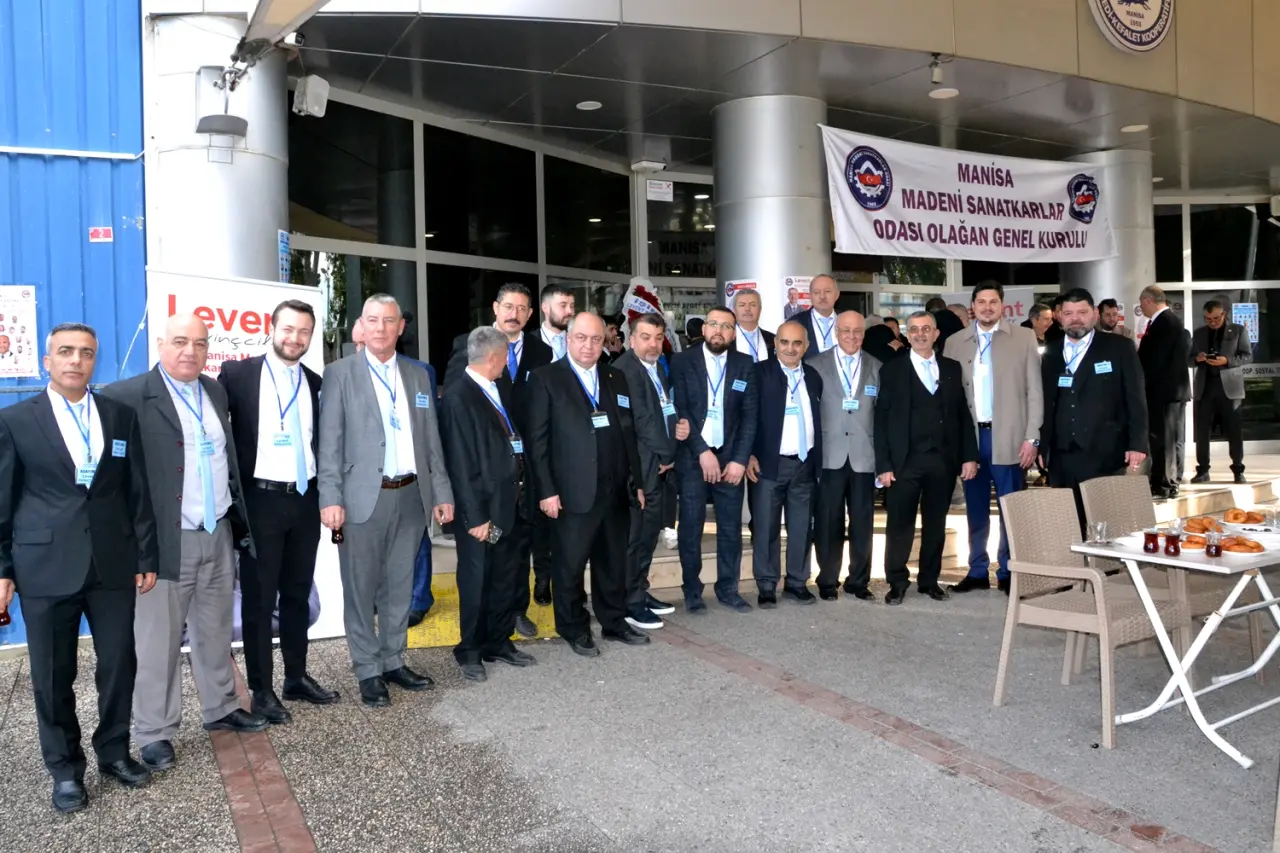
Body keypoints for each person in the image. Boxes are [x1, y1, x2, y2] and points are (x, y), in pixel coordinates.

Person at [0, 323, 158, 812]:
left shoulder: (118, 415)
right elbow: (2, 500)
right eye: (65, 352)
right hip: (44, 564)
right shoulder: (15, 420)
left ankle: (114, 752)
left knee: (119, 665)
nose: (76, 360)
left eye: (86, 353)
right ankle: (65, 770)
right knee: (52, 675)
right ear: (47, 361)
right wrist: (3, 567)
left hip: (112, 563)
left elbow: (136, 490)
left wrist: (146, 555)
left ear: (95, 360)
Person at [101, 314, 267, 775]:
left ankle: (221, 707)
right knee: (158, 642)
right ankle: (154, 731)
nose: (189, 351)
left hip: (217, 530)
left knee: (215, 630)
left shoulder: (214, 391)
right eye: (179, 341)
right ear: (160, 344)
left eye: (199, 343)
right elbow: (115, 480)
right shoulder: (126, 396)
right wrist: (133, 547)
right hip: (165, 540)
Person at [317, 294, 454, 708]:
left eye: (388, 320)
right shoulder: (339, 374)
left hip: (411, 495)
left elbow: (431, 439)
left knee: (399, 586)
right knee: (360, 589)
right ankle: (367, 669)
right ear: (361, 326)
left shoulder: (418, 375)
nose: (380, 328)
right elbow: (329, 443)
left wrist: (442, 491)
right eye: (373, 320)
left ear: (400, 327)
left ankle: (393, 660)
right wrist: (330, 497)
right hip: (361, 499)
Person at [217, 300, 338, 723]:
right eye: (288, 329)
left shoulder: (316, 382)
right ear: (271, 329)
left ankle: (296, 677)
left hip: (304, 499)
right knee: (258, 598)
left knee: (297, 593)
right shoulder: (237, 375)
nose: (295, 338)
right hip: (260, 502)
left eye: (304, 331)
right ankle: (262, 689)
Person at [526, 312, 649, 655]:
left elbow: (629, 433)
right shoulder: (546, 378)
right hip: (570, 493)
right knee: (570, 564)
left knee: (612, 562)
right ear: (568, 339)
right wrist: (546, 491)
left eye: (596, 339)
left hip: (615, 490)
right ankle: (573, 628)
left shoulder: (615, 376)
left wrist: (637, 482)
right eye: (581, 338)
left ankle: (614, 622)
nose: (588, 346)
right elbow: (537, 443)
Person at [445, 282, 552, 634]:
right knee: (485, 557)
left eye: (521, 309)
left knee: (518, 546)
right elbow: (457, 415)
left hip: (525, 467)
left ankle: (515, 611)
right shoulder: (469, 345)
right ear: (495, 307)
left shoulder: (541, 351)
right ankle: (483, 629)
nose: (514, 314)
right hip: (486, 471)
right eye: (508, 306)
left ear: (530, 314)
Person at [438, 327, 535, 682]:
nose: (508, 363)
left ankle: (498, 641)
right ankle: (470, 649)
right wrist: (475, 517)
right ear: (495, 357)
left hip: (508, 505)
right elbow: (460, 464)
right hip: (482, 514)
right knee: (477, 580)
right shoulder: (459, 397)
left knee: (504, 576)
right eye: (506, 357)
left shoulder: (495, 387)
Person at [945, 282, 1043, 596]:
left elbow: (1035, 392)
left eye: (993, 302)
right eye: (981, 302)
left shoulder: (1024, 338)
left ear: (1002, 306)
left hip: (1011, 438)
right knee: (975, 509)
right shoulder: (954, 342)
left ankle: (1008, 570)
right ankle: (976, 570)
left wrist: (1032, 437)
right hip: (971, 440)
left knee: (1010, 508)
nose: (987, 307)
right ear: (973, 306)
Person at [874, 311, 978, 605]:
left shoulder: (951, 368)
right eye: (914, 329)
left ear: (936, 334)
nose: (920, 334)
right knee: (899, 525)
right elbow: (881, 420)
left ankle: (929, 581)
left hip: (942, 461)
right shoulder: (892, 369)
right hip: (903, 463)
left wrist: (969, 456)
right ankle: (897, 581)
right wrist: (883, 464)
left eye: (926, 329)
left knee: (936, 524)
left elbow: (962, 414)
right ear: (907, 335)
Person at [671, 306, 759, 613]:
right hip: (693, 458)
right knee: (691, 527)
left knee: (731, 528)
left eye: (726, 326)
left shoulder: (745, 364)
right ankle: (692, 591)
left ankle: (728, 589)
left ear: (733, 334)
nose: (719, 331)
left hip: (731, 459)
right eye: (713, 324)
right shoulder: (682, 361)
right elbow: (680, 409)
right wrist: (702, 451)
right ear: (704, 329)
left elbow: (750, 416)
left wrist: (739, 459)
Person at [1040, 288, 1148, 525]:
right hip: (1062, 454)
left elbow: (1136, 397)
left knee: (1106, 523)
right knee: (1069, 523)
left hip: (1106, 451)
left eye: (1082, 312)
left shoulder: (1119, 347)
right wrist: (1042, 444)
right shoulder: (1051, 352)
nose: (1075, 319)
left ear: (1095, 314)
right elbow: (1046, 402)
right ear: (1059, 316)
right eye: (1068, 313)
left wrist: (1137, 443)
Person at [612, 313, 684, 630]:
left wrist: (676, 432)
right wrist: (669, 453)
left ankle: (640, 590)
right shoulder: (626, 370)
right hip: (640, 469)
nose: (653, 344)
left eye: (658, 337)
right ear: (631, 339)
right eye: (645, 337)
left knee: (649, 534)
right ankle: (631, 603)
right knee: (637, 538)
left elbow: (664, 410)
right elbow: (641, 422)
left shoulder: (656, 368)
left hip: (657, 464)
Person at [747, 321, 821, 607]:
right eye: (785, 342)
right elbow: (745, 416)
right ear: (775, 343)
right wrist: (748, 455)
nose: (791, 349)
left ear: (806, 346)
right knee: (766, 526)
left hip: (804, 463)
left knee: (802, 527)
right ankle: (767, 585)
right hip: (768, 463)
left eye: (797, 343)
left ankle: (797, 582)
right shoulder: (759, 373)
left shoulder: (812, 376)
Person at [809, 311, 881, 601]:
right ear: (836, 332)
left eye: (857, 331)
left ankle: (858, 581)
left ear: (864, 333)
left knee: (863, 522)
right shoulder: (815, 365)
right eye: (846, 330)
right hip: (830, 454)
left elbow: (881, 414)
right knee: (828, 521)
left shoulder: (877, 366)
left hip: (864, 455)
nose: (852, 336)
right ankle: (828, 580)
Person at [1136, 286, 1191, 499]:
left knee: (1164, 440)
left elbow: (1155, 360)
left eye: (1141, 303)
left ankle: (1165, 484)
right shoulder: (1168, 321)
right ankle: (1169, 481)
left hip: (1164, 392)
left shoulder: (1165, 323)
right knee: (1171, 439)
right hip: (1170, 391)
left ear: (1148, 300)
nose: (1141, 308)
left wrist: (1140, 380)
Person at [1190, 300, 1252, 484]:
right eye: (1208, 319)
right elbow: (1189, 359)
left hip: (1229, 388)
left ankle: (1238, 469)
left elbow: (1247, 356)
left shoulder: (1238, 331)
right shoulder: (1199, 333)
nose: (1213, 322)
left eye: (1216, 318)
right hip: (1205, 387)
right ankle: (1202, 470)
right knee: (1202, 431)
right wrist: (1198, 359)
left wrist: (1227, 360)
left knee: (1234, 430)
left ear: (1224, 314)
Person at [794, 274, 840, 357]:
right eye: (816, 292)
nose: (822, 296)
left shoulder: (849, 320)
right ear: (810, 296)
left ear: (837, 294)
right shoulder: (796, 323)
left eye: (827, 291)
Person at [733, 290, 775, 364]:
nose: (747, 309)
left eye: (752, 305)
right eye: (742, 305)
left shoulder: (773, 339)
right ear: (734, 310)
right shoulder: (727, 339)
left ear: (760, 309)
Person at [538, 283, 575, 361]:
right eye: (563, 306)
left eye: (572, 306)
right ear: (545, 308)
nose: (570, 311)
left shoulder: (578, 340)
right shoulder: (527, 343)